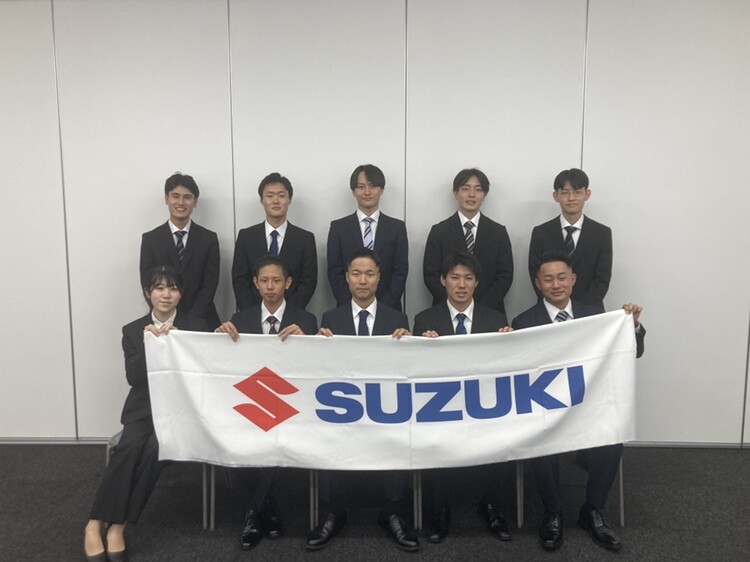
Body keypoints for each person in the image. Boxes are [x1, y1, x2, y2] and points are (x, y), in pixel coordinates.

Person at [512, 250, 645, 552]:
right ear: (538, 283)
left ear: (573, 279)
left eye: (562, 277)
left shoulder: (597, 316)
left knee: (612, 436)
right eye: (548, 279)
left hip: (588, 407)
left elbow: (634, 352)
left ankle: (592, 510)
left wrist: (631, 326)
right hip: (544, 409)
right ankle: (552, 513)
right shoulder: (523, 322)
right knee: (541, 438)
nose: (556, 284)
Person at [84, 266, 207, 561]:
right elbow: (135, 378)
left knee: (155, 450)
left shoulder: (195, 326)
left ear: (181, 294)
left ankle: (118, 526)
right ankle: (94, 523)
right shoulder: (132, 330)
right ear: (147, 292)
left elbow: (202, 376)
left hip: (181, 408)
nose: (166, 294)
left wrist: (179, 343)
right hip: (143, 407)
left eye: (173, 288)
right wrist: (147, 343)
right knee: (128, 448)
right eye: (159, 288)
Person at [307, 248, 417, 552]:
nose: (363, 280)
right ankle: (332, 513)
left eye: (369, 274)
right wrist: (317, 347)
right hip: (345, 409)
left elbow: (407, 370)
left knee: (399, 431)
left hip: (384, 408)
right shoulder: (330, 319)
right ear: (346, 278)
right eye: (356, 274)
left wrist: (409, 345)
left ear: (379, 278)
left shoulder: (398, 319)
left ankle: (393, 512)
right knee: (325, 431)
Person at [216, 255, 317, 550]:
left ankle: (253, 513)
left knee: (275, 435)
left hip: (293, 406)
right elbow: (223, 365)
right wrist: (216, 339)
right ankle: (267, 509)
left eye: (276, 280)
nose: (270, 286)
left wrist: (308, 340)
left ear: (288, 283)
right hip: (251, 403)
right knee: (242, 437)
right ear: (255, 284)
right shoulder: (240, 320)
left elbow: (316, 369)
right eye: (264, 281)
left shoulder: (306, 320)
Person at [413, 252, 513, 544]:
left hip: (484, 406)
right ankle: (439, 511)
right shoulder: (424, 320)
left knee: (508, 432)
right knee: (433, 435)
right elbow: (414, 372)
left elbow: (509, 368)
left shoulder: (496, 320)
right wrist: (422, 347)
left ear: (477, 282)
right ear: (443, 281)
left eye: (468, 278)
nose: (461, 284)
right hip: (441, 409)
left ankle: (493, 507)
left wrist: (510, 342)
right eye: (454, 277)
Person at [423, 168, 513, 314]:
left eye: (478, 189)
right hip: (446, 312)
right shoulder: (439, 232)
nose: (472, 194)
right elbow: (431, 275)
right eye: (465, 189)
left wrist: (478, 308)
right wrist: (456, 305)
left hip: (490, 313)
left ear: (484, 195)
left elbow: (504, 276)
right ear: (455, 193)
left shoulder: (498, 233)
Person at [140, 172, 221, 329]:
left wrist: (192, 320)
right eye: (175, 196)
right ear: (166, 199)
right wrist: (168, 315)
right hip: (162, 320)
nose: (181, 202)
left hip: (202, 319)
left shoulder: (208, 238)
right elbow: (147, 282)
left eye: (187, 197)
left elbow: (210, 284)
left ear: (195, 202)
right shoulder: (151, 239)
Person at [326, 164, 408, 311]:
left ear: (381, 190)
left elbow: (400, 271)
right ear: (353, 191)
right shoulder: (338, 228)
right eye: (361, 187)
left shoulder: (397, 228)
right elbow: (334, 271)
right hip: (347, 309)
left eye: (372, 186)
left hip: (389, 309)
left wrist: (383, 308)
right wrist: (351, 305)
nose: (367, 192)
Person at [232, 173, 317, 312]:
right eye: (270, 196)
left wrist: (287, 313)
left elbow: (308, 282)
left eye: (281, 195)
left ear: (289, 199)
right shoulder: (246, 237)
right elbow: (240, 280)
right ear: (261, 200)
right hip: (252, 315)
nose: (276, 201)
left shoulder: (305, 239)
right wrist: (252, 314)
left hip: (293, 316)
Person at [528, 168, 612, 308]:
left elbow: (602, 279)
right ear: (556, 196)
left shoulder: (601, 233)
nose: (571, 198)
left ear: (587, 194)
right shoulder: (541, 233)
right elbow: (536, 274)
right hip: (550, 311)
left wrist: (578, 310)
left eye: (577, 192)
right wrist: (559, 306)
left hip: (589, 311)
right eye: (565, 193)